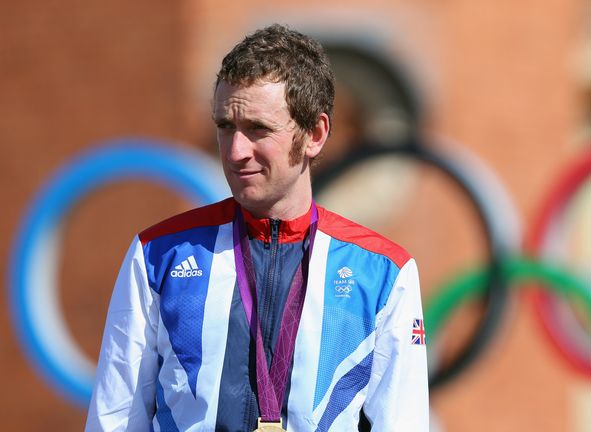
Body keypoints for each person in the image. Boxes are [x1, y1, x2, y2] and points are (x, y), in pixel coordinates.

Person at [85, 24, 428, 431]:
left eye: (258, 129)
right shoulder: (159, 254)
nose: (235, 152)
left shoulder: (384, 271)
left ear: (315, 134)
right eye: (225, 126)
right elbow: (114, 419)